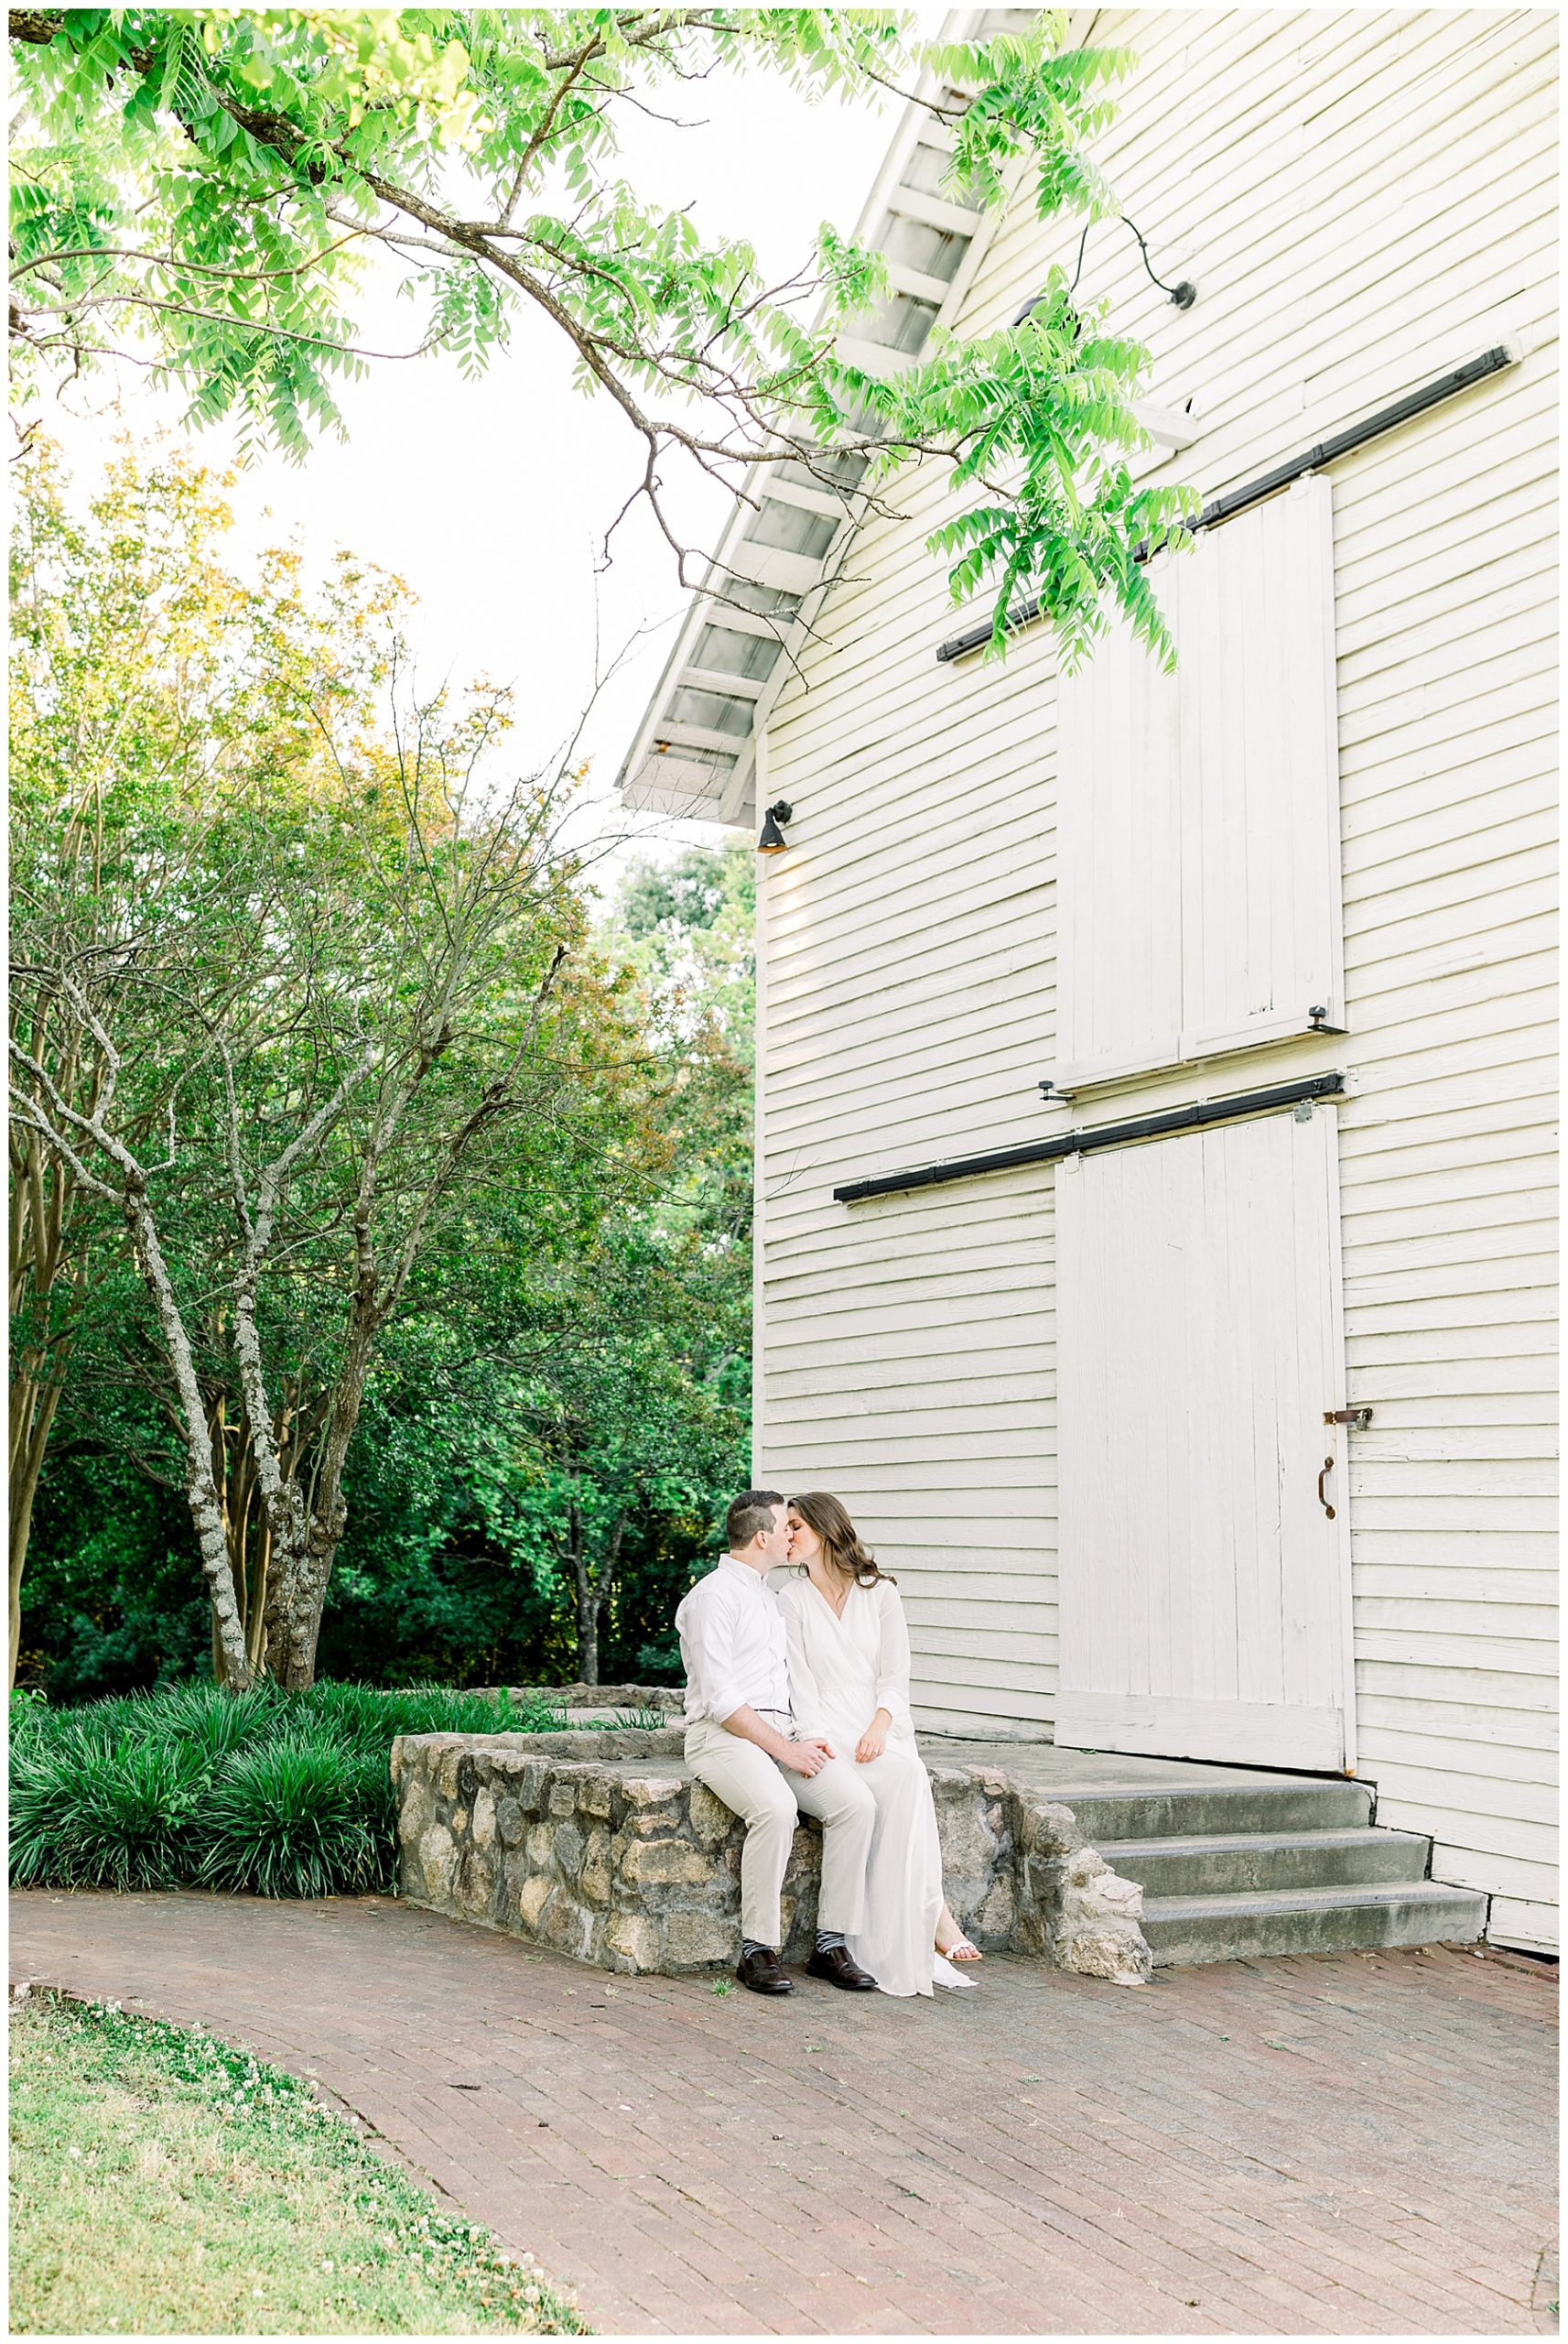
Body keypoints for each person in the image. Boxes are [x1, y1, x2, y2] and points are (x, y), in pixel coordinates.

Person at [775, 1492, 982, 1998]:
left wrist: (880, 1725)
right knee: (866, 1798)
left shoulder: (880, 1593)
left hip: (878, 1720)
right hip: (824, 1723)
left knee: (907, 1776)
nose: (787, 1536)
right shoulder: (790, 1599)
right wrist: (814, 1738)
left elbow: (896, 1674)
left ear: (824, 1530)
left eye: (796, 1527)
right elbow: (799, 1684)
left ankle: (931, 1919)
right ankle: (934, 1922)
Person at [676, 1489, 880, 1998]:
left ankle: (830, 1945)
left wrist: (805, 1738)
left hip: (782, 1734)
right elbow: (722, 1700)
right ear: (762, 1536)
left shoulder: (772, 1597)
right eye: (785, 1528)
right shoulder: (710, 1598)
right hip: (720, 1736)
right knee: (775, 1808)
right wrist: (786, 1751)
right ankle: (757, 1949)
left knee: (855, 1803)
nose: (793, 1534)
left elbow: (793, 1683)